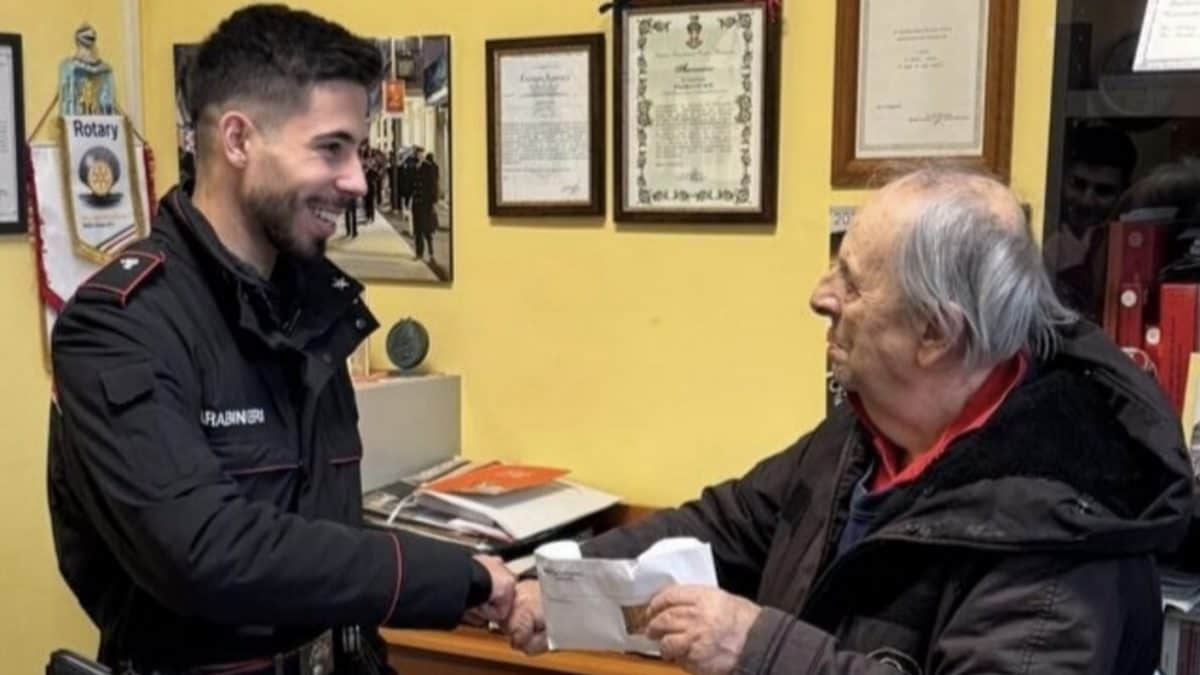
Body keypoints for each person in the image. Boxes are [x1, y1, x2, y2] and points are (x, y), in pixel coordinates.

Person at [504, 169, 1193, 674]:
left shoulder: (1063, 536)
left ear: (935, 333)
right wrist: (555, 583)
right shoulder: (870, 429)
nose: (820, 295)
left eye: (852, 282)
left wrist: (757, 647)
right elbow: (729, 524)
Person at [46, 6, 513, 674]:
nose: (357, 180)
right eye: (331, 148)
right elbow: (208, 550)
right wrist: (449, 575)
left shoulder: (311, 308)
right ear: (239, 140)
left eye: (358, 149)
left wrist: (468, 580)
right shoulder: (120, 326)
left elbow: (316, 529)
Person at [1045, 122, 1137, 320]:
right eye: (1078, 185)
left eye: (1103, 191)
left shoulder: (1135, 245)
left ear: (1125, 193)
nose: (1087, 201)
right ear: (1061, 179)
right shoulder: (1041, 235)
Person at [412, 150, 439, 262]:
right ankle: (419, 253)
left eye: (421, 154)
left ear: (423, 156)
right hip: (416, 203)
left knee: (427, 230)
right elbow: (411, 185)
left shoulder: (428, 168)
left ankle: (431, 253)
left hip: (426, 203)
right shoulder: (414, 167)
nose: (419, 156)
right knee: (417, 230)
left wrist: (434, 202)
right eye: (417, 154)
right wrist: (408, 199)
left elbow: (433, 185)